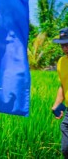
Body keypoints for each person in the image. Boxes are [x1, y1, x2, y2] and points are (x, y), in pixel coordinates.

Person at [51, 28, 68, 158]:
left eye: (67, 44)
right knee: (66, 148)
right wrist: (57, 104)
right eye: (63, 45)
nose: (65, 48)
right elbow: (63, 85)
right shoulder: (62, 62)